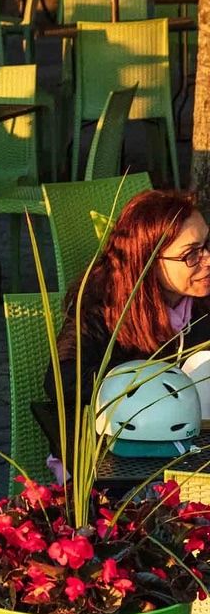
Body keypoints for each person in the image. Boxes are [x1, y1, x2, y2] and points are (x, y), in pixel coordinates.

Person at [45, 187, 210, 469]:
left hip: (195, 449)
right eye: (191, 254)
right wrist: (152, 387)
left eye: (207, 244)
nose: (207, 260)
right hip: (119, 458)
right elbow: (62, 379)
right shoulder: (103, 308)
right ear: (147, 260)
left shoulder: (201, 303)